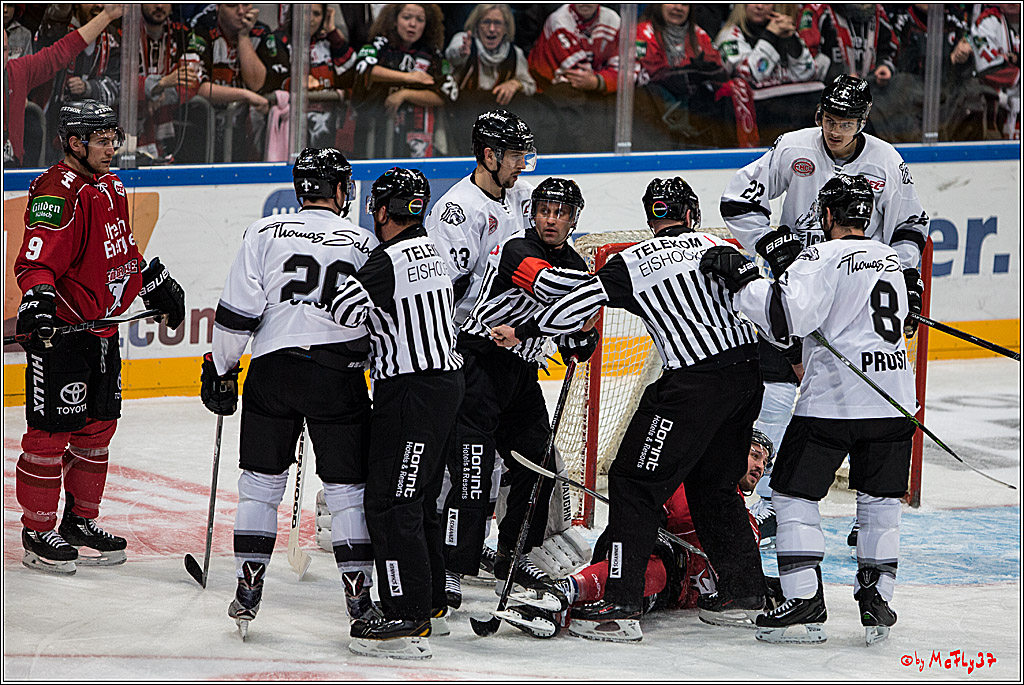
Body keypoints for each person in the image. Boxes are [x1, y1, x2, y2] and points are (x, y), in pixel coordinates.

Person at [491, 177, 766, 642]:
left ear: (650, 219)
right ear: (692, 215)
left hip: (692, 385)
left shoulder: (631, 261)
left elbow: (567, 310)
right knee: (714, 485)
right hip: (745, 379)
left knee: (632, 482)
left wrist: (527, 329)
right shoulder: (721, 247)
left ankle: (620, 605)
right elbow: (769, 308)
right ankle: (744, 594)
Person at [700, 174, 919, 646]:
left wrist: (743, 282)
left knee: (792, 495)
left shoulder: (820, 255)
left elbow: (784, 318)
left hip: (833, 403)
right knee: (879, 503)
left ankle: (803, 602)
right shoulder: (894, 259)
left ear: (826, 216)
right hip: (896, 399)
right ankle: (877, 597)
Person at [719, 73, 928, 547]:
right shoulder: (794, 147)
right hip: (800, 289)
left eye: (847, 121)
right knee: (776, 395)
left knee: (859, 401)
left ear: (863, 121)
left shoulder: (887, 163)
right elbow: (737, 198)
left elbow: (912, 224)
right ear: (820, 115)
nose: (836, 130)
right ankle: (768, 503)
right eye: (830, 119)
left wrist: (902, 275)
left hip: (854, 301)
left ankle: (872, 506)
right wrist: (773, 243)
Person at [199, 147, 379, 638]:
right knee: (347, 492)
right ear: (340, 190)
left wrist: (221, 367)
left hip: (273, 373)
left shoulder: (263, 232)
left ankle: (248, 583)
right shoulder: (363, 243)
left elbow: (236, 313)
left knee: (260, 482)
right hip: (337, 378)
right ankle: (359, 598)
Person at [13, 99, 186, 576]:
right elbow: (37, 257)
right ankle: (37, 529)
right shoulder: (58, 189)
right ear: (75, 142)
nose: (112, 148)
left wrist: (150, 284)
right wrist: (40, 299)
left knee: (97, 429)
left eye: (115, 139)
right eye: (103, 140)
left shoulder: (109, 186)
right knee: (50, 435)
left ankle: (78, 521)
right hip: (64, 334)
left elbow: (120, 254)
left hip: (103, 332)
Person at [326, 168, 464, 660]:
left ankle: (405, 616)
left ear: (382, 211)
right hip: (444, 387)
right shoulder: (432, 250)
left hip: (410, 393)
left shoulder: (387, 261)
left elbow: (343, 311)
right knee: (421, 500)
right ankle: (429, 603)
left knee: (390, 502)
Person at [441, 177, 597, 609]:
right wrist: (587, 301)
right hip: (478, 366)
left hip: (520, 374)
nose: (552, 219)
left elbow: (579, 328)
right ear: (534, 214)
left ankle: (514, 553)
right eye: (545, 210)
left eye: (561, 212)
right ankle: (452, 565)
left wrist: (579, 341)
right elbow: (553, 292)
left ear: (572, 219)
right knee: (473, 473)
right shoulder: (516, 249)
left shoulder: (576, 264)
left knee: (539, 462)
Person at [500, 430, 777, 639]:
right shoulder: (695, 486)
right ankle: (564, 590)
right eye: (754, 455)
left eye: (764, 462)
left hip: (671, 594)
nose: (759, 467)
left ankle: (554, 611)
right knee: (652, 569)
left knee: (639, 600)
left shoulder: (743, 515)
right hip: (644, 556)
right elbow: (669, 516)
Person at [4, 4, 123, 168]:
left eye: (4, 50)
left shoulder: (17, 71)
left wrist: (107, 16)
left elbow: (62, 51)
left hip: (12, 171)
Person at [633, 3, 759, 150]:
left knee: (733, 89)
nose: (679, 8)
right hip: (657, 112)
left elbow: (717, 68)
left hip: (697, 113)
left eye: (685, 4)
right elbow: (642, 75)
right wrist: (681, 74)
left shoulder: (699, 34)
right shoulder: (642, 32)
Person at [351, 4, 458, 159]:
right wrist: (409, 77)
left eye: (420, 19)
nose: (412, 24)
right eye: (406, 17)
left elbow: (447, 94)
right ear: (394, 20)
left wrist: (405, 94)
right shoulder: (380, 44)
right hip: (376, 131)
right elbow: (363, 69)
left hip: (417, 135)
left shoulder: (431, 53)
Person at [183, 3, 283, 162]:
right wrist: (245, 95)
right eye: (232, 5)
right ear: (218, 7)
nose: (241, 11)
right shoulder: (201, 30)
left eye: (246, 4)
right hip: (202, 137)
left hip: (245, 138)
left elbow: (257, 84)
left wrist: (244, 36)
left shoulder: (261, 33)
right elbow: (196, 87)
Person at [714, 4, 823, 144]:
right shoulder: (729, 36)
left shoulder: (781, 28)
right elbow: (751, 75)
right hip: (759, 118)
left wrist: (792, 40)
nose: (760, 6)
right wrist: (770, 36)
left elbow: (807, 73)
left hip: (793, 112)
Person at [528, 3, 622, 153]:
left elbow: (627, 71)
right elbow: (577, 75)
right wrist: (604, 80)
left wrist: (599, 81)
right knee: (576, 101)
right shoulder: (559, 20)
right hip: (548, 88)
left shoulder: (613, 20)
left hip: (590, 85)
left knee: (620, 100)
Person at [445, 4, 537, 156]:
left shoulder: (515, 54)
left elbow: (530, 85)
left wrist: (515, 83)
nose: (492, 29)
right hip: (463, 121)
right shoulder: (464, 41)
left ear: (506, 28)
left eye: (498, 23)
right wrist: (462, 53)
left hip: (498, 129)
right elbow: (453, 55)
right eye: (486, 22)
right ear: (476, 25)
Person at [272, 4, 358, 150]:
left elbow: (352, 70)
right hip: (291, 126)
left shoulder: (328, 41)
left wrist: (332, 32)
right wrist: (297, 82)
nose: (310, 19)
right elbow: (272, 80)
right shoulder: (280, 39)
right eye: (305, 12)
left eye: (317, 14)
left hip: (328, 124)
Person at [136, 4, 200, 161]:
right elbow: (118, 80)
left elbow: (192, 82)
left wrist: (162, 94)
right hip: (125, 128)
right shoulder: (124, 30)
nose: (159, 5)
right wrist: (156, 87)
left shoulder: (183, 33)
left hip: (163, 132)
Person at [797, 4, 899, 87]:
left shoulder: (878, 12)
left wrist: (884, 66)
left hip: (870, 96)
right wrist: (839, 74)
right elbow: (807, 57)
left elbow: (890, 50)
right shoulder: (816, 10)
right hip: (828, 95)